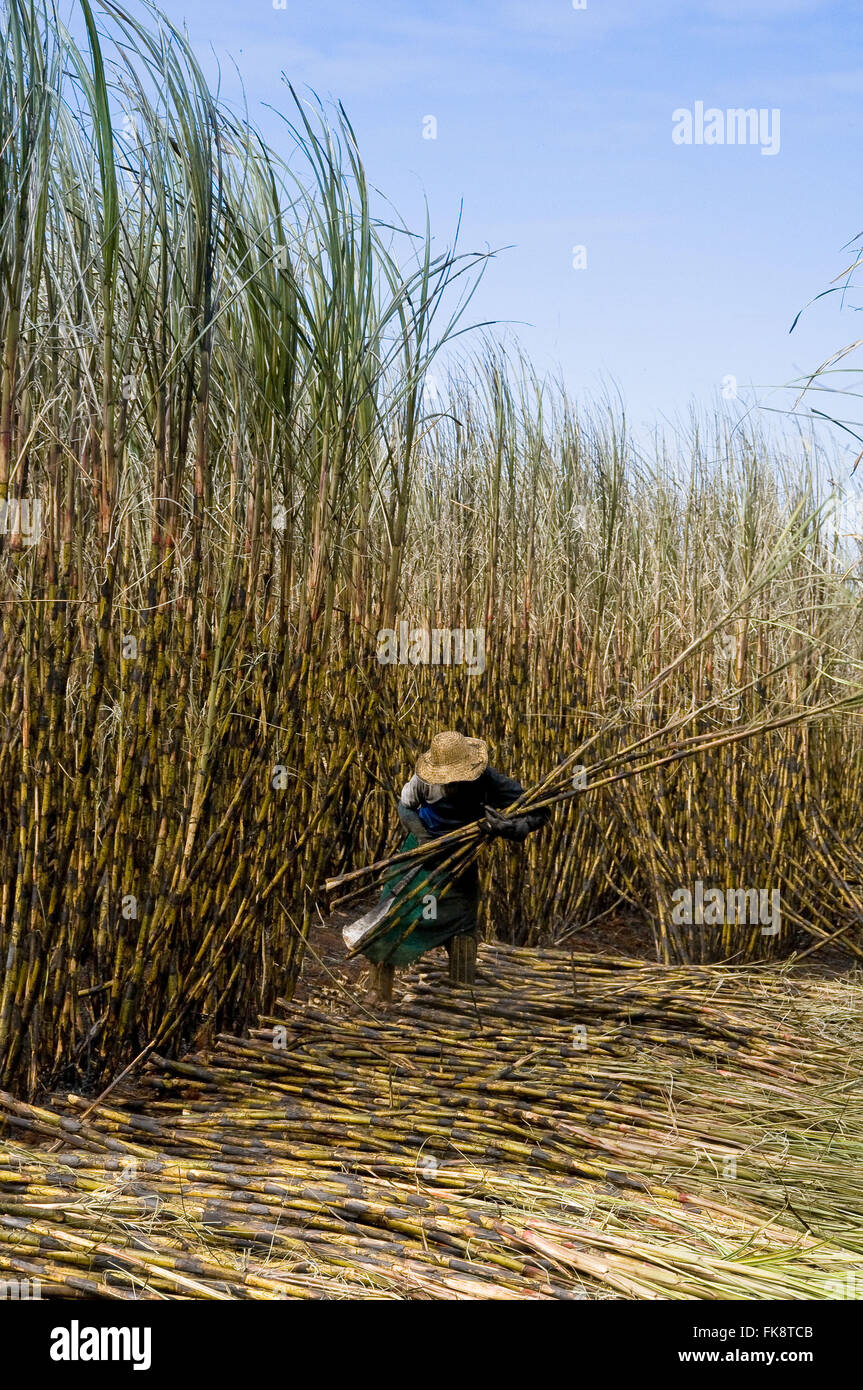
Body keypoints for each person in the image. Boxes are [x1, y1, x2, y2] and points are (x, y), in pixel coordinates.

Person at [359, 730, 549, 990]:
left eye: (457, 779)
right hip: (421, 854)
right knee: (392, 915)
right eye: (446, 780)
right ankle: (378, 992)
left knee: (461, 924)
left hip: (462, 857)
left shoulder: (487, 780)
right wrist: (426, 842)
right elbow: (405, 807)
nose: (451, 784)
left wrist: (513, 828)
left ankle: (460, 993)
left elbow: (539, 807)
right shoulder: (422, 781)